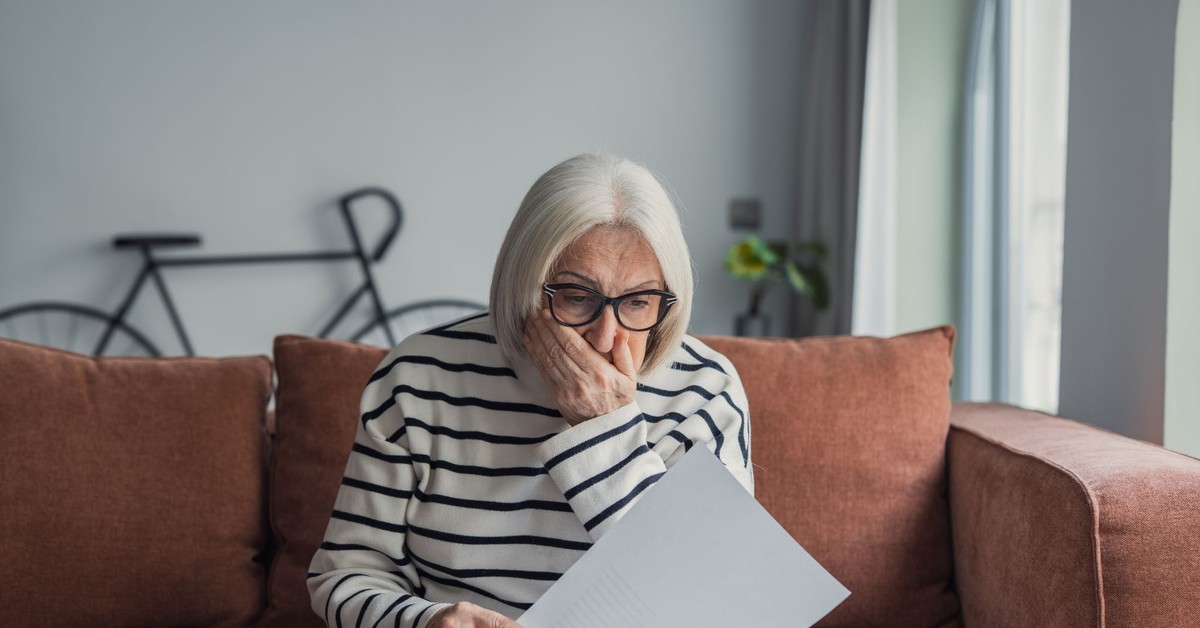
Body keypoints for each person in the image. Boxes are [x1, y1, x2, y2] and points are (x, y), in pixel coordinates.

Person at [308, 154, 754, 628]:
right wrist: (427, 622)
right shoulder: (418, 376)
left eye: (638, 302)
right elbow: (346, 574)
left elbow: (714, 600)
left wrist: (605, 427)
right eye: (577, 298)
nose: (606, 338)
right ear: (525, 284)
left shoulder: (704, 389)